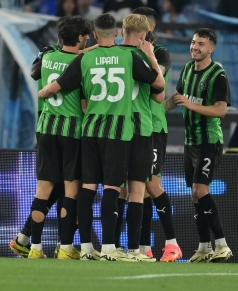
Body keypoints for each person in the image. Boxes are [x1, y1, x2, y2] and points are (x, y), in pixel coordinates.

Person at [39, 13, 165, 261]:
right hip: (118, 131)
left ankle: (86, 247)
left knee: (88, 187)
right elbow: (158, 86)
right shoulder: (127, 57)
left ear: (94, 35)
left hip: (89, 130)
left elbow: (57, 86)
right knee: (112, 188)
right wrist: (150, 54)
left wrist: (43, 91)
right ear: (116, 33)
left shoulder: (85, 58)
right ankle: (110, 247)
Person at [25, 15, 92, 260]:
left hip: (46, 128)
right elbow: (84, 104)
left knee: (42, 189)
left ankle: (35, 247)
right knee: (70, 190)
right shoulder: (83, 63)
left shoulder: (47, 56)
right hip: (72, 131)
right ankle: (65, 248)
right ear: (82, 37)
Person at [164, 28, 233, 263]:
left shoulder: (218, 75)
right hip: (190, 141)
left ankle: (222, 244)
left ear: (211, 48)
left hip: (208, 141)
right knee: (195, 196)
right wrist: (155, 112)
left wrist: (190, 106)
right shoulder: (186, 69)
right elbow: (177, 99)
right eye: (193, 42)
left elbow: (221, 110)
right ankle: (204, 247)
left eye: (201, 44)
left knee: (200, 191)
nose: (194, 47)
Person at [131, 6, 183, 263]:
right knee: (135, 187)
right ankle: (143, 247)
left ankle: (172, 244)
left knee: (152, 185)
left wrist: (145, 54)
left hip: (153, 126)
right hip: (132, 126)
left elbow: (157, 78)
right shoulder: (129, 52)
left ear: (149, 28)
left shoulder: (160, 52)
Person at [116, 13, 165, 263]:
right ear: (144, 36)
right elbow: (159, 91)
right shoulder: (140, 57)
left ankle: (110, 248)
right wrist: (151, 55)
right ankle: (135, 249)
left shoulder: (110, 56)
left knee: (114, 189)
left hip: (112, 129)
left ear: (122, 31)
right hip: (139, 129)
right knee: (137, 191)